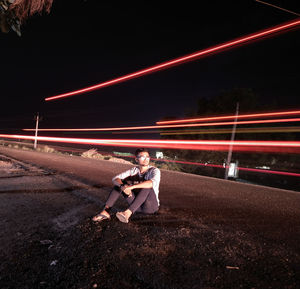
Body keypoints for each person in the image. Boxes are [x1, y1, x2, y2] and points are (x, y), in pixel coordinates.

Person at [92, 148, 161, 223]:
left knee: (147, 187)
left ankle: (127, 213)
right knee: (119, 185)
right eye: (142, 157)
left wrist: (131, 187)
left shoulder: (154, 170)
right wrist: (123, 187)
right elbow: (115, 179)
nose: (146, 159)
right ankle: (105, 211)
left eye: (147, 157)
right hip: (136, 206)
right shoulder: (133, 170)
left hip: (150, 207)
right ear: (136, 159)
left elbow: (151, 183)